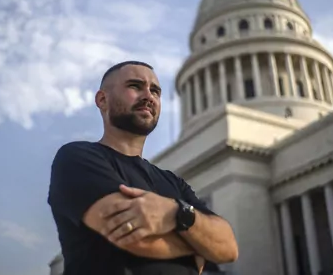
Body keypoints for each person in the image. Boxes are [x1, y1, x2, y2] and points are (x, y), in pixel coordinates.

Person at [47, 61, 238, 275]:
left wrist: (177, 212)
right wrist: (199, 246)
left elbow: (228, 248)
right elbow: (132, 237)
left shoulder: (173, 182)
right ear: (102, 100)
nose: (148, 96)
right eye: (135, 86)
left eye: (155, 90)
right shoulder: (77, 158)